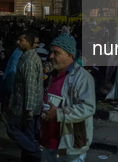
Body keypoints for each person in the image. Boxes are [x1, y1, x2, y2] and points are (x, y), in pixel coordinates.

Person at [41, 34, 96, 162]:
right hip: (48, 144)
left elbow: (87, 108)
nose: (51, 56)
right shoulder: (51, 76)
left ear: (69, 55)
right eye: (51, 52)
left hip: (70, 146)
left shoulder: (83, 78)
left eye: (56, 53)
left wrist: (58, 114)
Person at [6, 31, 43, 162]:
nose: (18, 42)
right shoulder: (26, 57)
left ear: (29, 43)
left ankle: (36, 153)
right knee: (27, 135)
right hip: (25, 105)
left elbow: (30, 86)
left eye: (21, 40)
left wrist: (29, 109)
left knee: (12, 129)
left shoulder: (29, 61)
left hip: (24, 106)